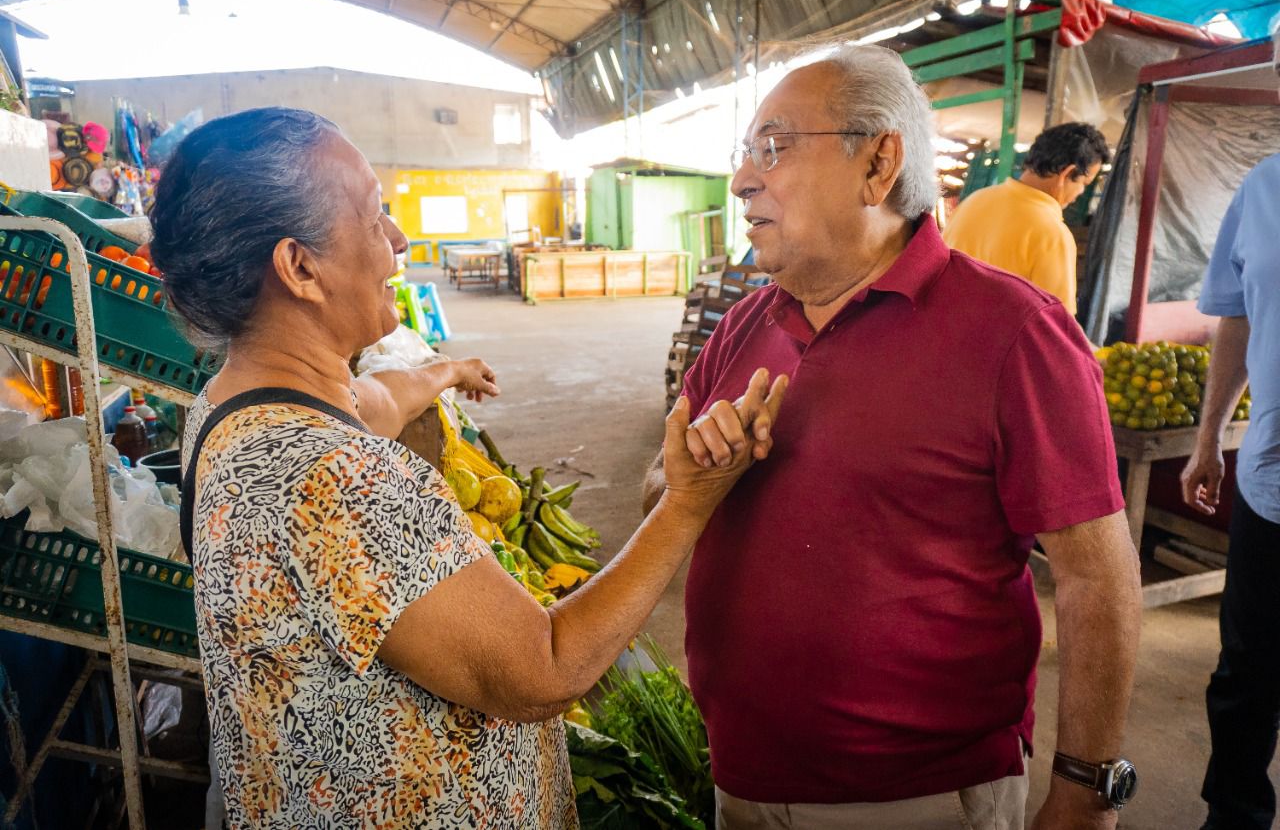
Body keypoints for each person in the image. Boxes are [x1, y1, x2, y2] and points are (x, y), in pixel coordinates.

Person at [150, 106, 785, 828]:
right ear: (299, 267)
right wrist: (687, 505)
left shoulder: (233, 405)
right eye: (373, 216)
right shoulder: (339, 480)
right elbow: (545, 667)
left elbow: (374, 400)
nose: (398, 239)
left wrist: (446, 373)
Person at [642, 45, 1142, 829]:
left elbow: (1096, 576)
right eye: (744, 153)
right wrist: (691, 471)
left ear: (878, 164)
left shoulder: (1017, 335)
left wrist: (1085, 788)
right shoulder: (747, 322)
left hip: (917, 800)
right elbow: (659, 493)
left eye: (771, 147)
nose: (742, 180)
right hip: (739, 774)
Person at [1180, 24, 1280, 830]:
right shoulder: (1263, 190)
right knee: (1246, 671)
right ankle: (1234, 814)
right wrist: (1210, 434)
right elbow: (1237, 320)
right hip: (1271, 489)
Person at [943, 122, 1109, 315]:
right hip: (997, 344)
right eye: (1084, 183)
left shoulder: (972, 202)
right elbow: (1057, 327)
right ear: (1067, 174)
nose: (1081, 192)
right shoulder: (1052, 234)